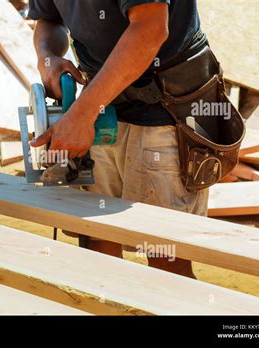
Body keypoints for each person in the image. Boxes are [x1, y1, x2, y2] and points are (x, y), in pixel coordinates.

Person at [28, 0, 210, 278]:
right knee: (97, 239)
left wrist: (81, 116)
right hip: (102, 104)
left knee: (165, 257)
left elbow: (150, 28)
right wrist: (47, 57)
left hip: (165, 108)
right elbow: (49, 20)